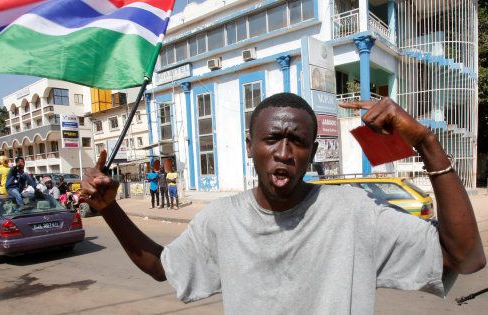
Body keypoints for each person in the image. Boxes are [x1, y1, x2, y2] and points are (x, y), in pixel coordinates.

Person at [80, 93, 485, 314]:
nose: (285, 152)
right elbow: (161, 268)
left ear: (312, 152)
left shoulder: (353, 211)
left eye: (299, 142)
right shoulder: (221, 219)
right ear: (250, 146)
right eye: (272, 138)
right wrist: (110, 209)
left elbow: (465, 258)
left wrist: (427, 144)